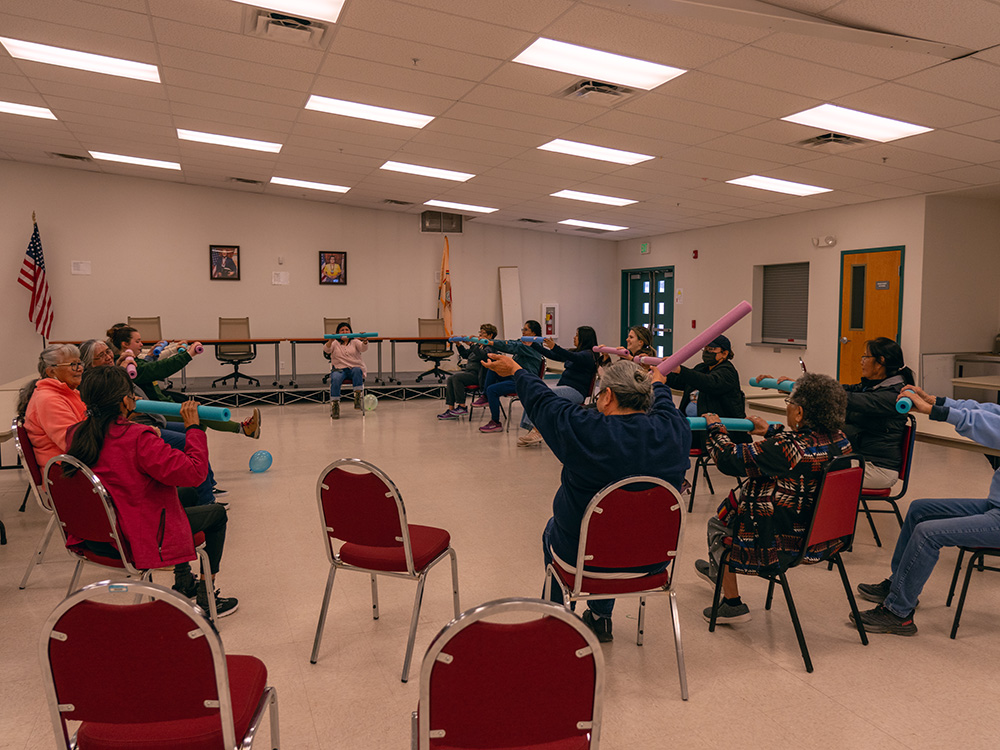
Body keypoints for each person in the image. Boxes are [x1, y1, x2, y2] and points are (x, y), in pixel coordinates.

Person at [483, 355, 691, 642]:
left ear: (607, 396)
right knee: (617, 533)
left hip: (581, 562)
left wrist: (517, 370)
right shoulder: (675, 430)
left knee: (553, 529)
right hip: (653, 564)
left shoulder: (585, 429)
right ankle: (600, 617)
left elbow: (543, 401)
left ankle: (555, 621)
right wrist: (660, 386)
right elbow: (667, 408)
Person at [64, 366, 238, 616]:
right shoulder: (136, 438)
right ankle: (206, 596)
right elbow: (195, 472)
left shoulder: (77, 433)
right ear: (126, 400)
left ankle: (183, 582)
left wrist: (150, 437)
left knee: (187, 495)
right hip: (136, 534)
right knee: (217, 515)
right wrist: (193, 428)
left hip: (100, 531)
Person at [694, 372, 852, 624]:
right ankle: (717, 570)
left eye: (789, 402)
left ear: (799, 413)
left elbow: (728, 458)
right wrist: (770, 431)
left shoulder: (788, 449)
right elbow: (800, 446)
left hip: (779, 542)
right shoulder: (841, 441)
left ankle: (732, 602)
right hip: (825, 538)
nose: (787, 407)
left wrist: (715, 428)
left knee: (718, 524)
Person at [853, 384, 1000, 636]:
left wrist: (936, 411)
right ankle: (897, 586)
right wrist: (937, 400)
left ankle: (899, 613)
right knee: (920, 509)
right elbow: (987, 410)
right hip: (995, 506)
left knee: (928, 533)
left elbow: (990, 425)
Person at [758, 337, 913, 489]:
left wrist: (803, 388)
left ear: (881, 362)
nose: (862, 361)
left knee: (806, 467)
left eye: (866, 356)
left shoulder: (894, 395)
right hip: (857, 457)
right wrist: (795, 385)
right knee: (803, 459)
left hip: (876, 468)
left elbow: (845, 398)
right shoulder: (873, 386)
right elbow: (838, 389)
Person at [80, 338, 219, 506]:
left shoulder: (118, 369)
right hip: (141, 424)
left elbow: (151, 362)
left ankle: (208, 487)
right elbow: (156, 369)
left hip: (148, 419)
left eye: (108, 352)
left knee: (194, 430)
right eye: (101, 356)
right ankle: (206, 501)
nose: (108, 357)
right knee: (188, 438)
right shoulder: (101, 383)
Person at [105, 325, 261, 438]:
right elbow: (161, 368)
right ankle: (243, 429)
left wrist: (155, 355)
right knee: (199, 415)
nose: (141, 344)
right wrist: (188, 354)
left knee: (199, 423)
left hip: (162, 405)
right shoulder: (128, 365)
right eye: (137, 341)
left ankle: (189, 455)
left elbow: (151, 365)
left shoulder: (134, 361)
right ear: (125, 344)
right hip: (155, 412)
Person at [666, 334, 750, 464]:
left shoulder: (728, 372)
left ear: (724, 353)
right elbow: (680, 381)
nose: (706, 352)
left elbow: (709, 383)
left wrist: (681, 370)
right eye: (705, 349)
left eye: (711, 349)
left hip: (710, 431)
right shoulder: (702, 368)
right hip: (692, 426)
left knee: (667, 438)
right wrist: (663, 373)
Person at [517, 326, 600, 447]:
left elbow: (571, 357)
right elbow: (553, 355)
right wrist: (533, 345)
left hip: (576, 392)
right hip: (565, 388)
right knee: (536, 392)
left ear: (584, 338)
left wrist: (555, 347)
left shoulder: (588, 355)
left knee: (541, 394)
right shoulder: (576, 352)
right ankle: (534, 429)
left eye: (577, 335)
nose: (574, 337)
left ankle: (538, 430)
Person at [17, 344, 86, 469]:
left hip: (76, 465)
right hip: (66, 472)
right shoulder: (48, 399)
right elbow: (76, 444)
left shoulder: (70, 392)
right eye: (73, 365)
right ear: (51, 371)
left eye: (80, 363)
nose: (80, 369)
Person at [477, 320, 545, 433]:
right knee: (493, 368)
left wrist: (490, 342)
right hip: (516, 377)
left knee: (492, 390)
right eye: (523, 329)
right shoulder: (524, 343)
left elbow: (511, 346)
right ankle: (485, 397)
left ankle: (495, 423)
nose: (523, 332)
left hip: (524, 382)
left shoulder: (534, 346)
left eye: (526, 330)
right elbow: (510, 343)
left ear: (533, 333)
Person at [437, 323, 497, 420]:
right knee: (451, 378)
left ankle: (462, 407)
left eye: (483, 333)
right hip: (470, 373)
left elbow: (482, 355)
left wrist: (471, 344)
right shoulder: (479, 346)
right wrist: (459, 344)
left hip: (479, 376)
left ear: (490, 336)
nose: (480, 335)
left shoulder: (490, 347)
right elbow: (466, 355)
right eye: (480, 333)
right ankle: (451, 409)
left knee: (457, 378)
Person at [324, 321, 368, 419]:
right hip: (339, 369)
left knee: (357, 370)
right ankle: (335, 405)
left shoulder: (355, 341)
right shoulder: (335, 343)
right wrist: (330, 341)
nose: (345, 331)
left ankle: (357, 397)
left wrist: (365, 341)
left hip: (353, 368)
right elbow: (326, 350)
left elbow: (363, 348)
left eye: (347, 330)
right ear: (338, 332)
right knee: (335, 378)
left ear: (350, 331)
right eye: (342, 330)